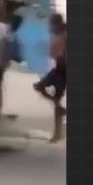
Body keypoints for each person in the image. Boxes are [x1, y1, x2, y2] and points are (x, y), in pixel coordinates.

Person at [34, 13, 68, 143]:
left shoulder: (64, 35)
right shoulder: (54, 34)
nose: (51, 25)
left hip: (64, 69)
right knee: (40, 86)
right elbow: (52, 51)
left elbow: (59, 52)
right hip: (58, 68)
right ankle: (59, 108)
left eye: (52, 23)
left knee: (54, 95)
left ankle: (57, 133)